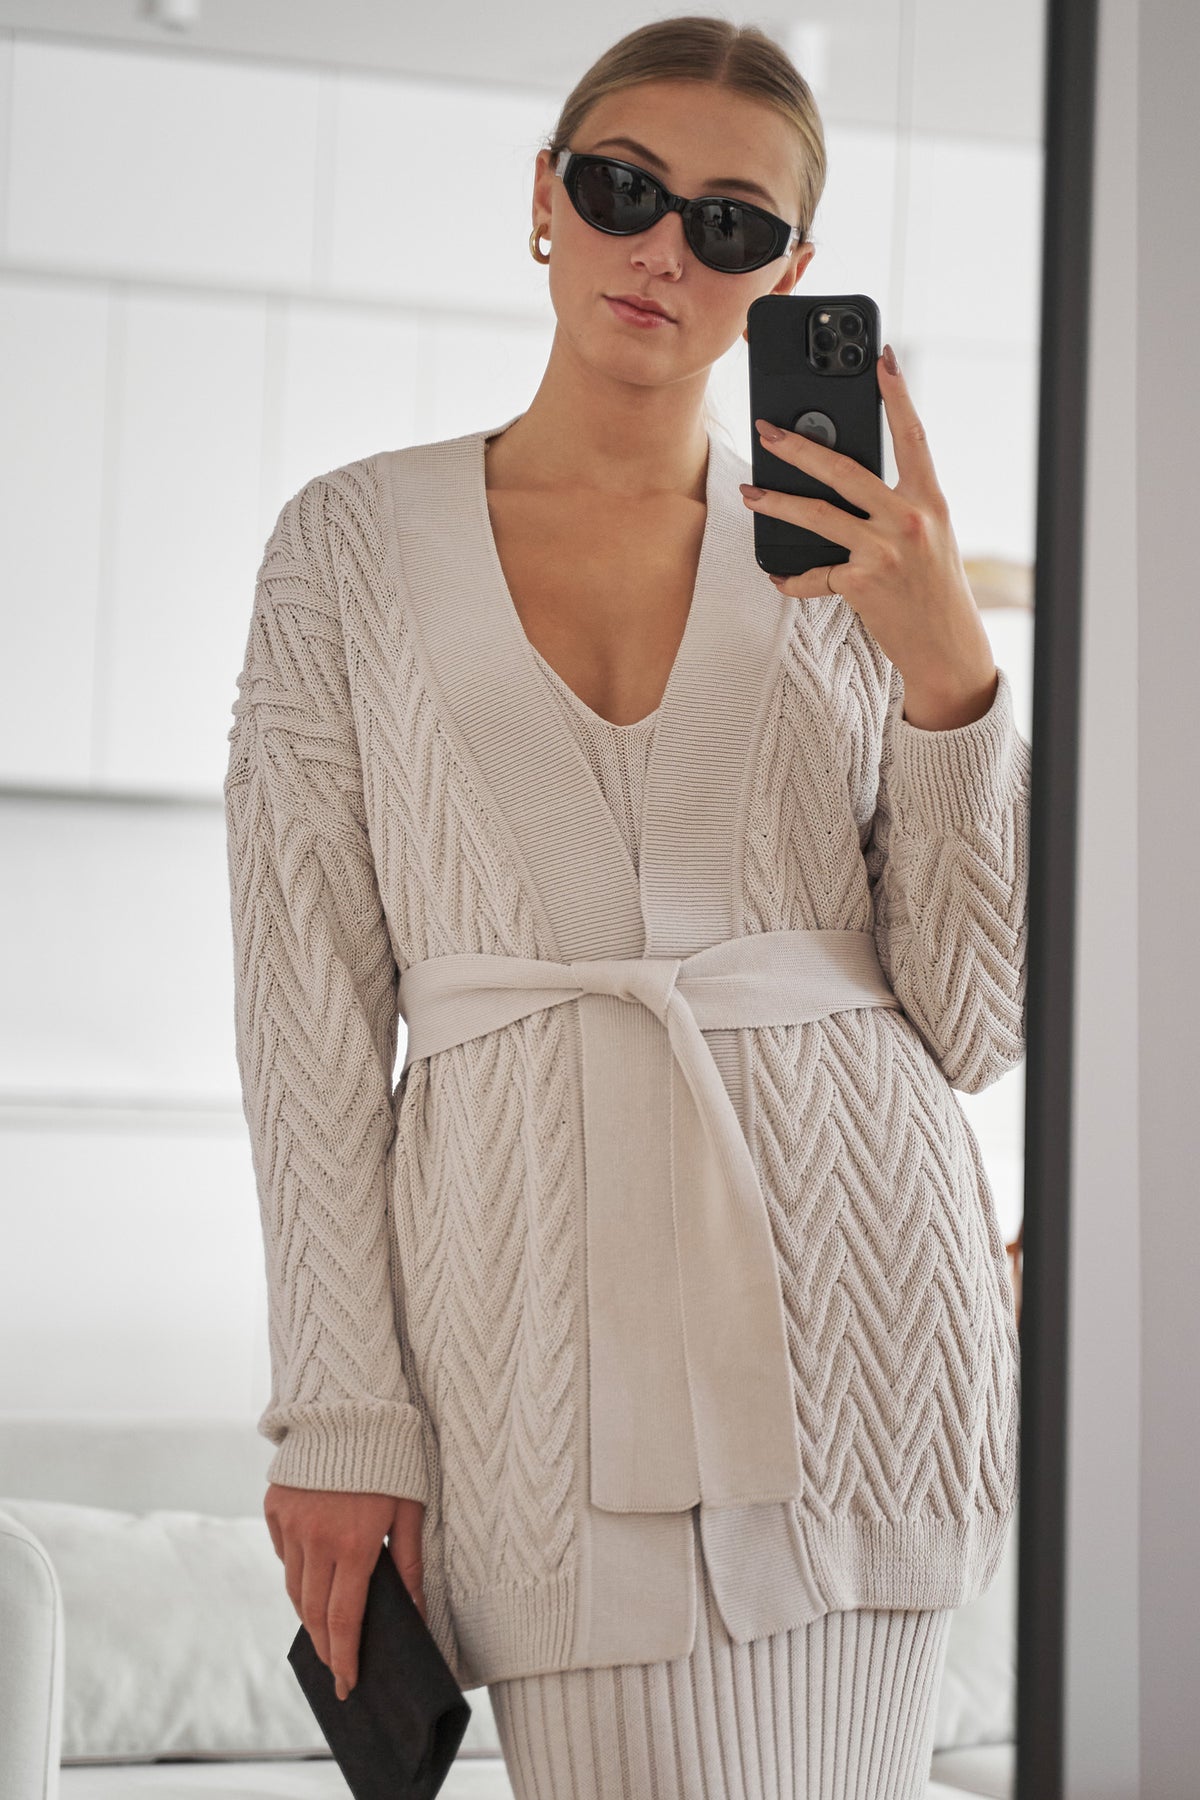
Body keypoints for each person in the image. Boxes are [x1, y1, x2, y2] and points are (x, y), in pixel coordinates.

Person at [224, 16, 1028, 1799]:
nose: (665, 246)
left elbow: (974, 1026)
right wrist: (342, 1415)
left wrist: (952, 674)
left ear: (792, 274)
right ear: (546, 199)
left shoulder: (861, 567)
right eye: (622, 190)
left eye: (732, 223)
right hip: (538, 1340)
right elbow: (306, 1019)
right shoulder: (346, 550)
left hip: (869, 1325)